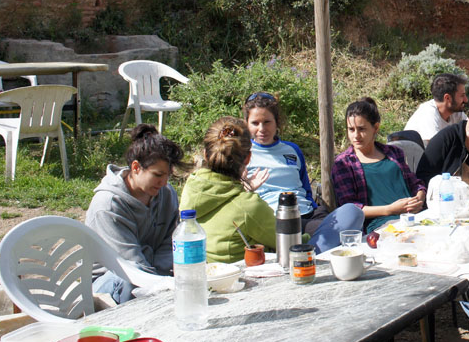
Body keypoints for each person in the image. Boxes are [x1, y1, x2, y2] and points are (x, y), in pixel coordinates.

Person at [242, 92, 363, 253]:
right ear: (246, 124)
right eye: (255, 123)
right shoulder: (242, 153)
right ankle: (310, 253)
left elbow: (305, 188)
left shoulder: (292, 150)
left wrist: (315, 211)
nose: (262, 129)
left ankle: (306, 252)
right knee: (336, 238)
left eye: (267, 122)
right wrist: (248, 188)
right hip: (273, 220)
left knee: (353, 213)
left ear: (277, 122)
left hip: (307, 215)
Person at [86, 124, 186, 303]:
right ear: (136, 167)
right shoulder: (108, 206)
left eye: (167, 176)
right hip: (110, 281)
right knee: (130, 280)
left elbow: (169, 244)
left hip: (153, 275)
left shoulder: (166, 193)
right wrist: (162, 285)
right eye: (158, 175)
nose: (164, 182)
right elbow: (131, 265)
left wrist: (164, 278)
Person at [180, 117, 276, 263]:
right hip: (241, 275)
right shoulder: (248, 206)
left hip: (199, 271)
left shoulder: (190, 189)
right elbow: (287, 241)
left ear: (205, 154)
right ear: (248, 158)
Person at [333, 97, 426, 233]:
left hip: (414, 218)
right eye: (351, 129)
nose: (356, 136)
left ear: (375, 127)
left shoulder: (394, 153)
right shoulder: (344, 163)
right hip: (380, 226)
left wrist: (418, 199)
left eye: (361, 129)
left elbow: (415, 183)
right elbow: (350, 208)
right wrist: (389, 210)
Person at [404, 73, 469, 144]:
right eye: (462, 96)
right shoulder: (428, 113)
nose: (466, 100)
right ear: (447, 98)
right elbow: (437, 147)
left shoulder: (455, 112)